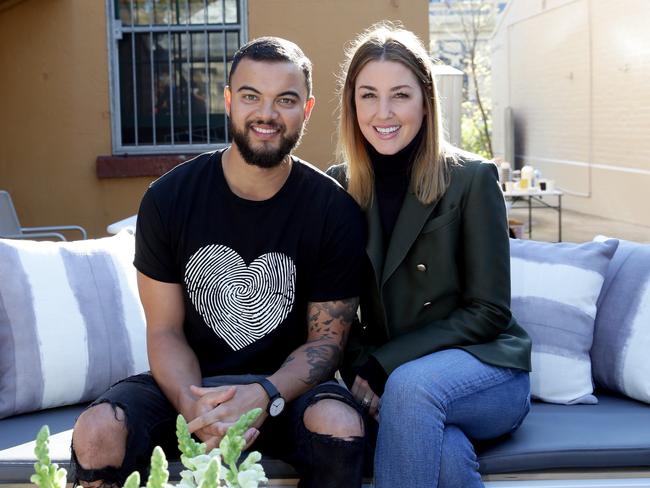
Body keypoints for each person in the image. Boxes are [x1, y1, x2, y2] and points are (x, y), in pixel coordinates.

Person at [71, 36, 367, 488]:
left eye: (284, 100)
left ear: (306, 110)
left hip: (285, 393)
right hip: (189, 388)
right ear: (229, 101)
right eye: (251, 96)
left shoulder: (333, 210)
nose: (266, 115)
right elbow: (165, 330)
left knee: (339, 425)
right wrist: (196, 408)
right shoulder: (168, 199)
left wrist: (263, 393)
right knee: (96, 432)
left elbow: (325, 345)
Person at [327, 23, 532, 487]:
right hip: (398, 385)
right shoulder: (340, 186)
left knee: (412, 388)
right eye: (368, 95)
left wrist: (387, 366)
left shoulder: (470, 179)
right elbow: (335, 308)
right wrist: (363, 369)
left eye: (400, 95)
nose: (383, 112)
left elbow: (489, 311)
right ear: (351, 104)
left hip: (487, 371)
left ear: (426, 100)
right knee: (445, 457)